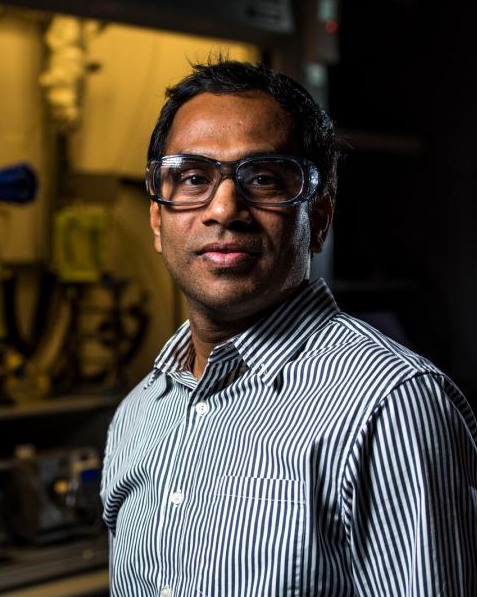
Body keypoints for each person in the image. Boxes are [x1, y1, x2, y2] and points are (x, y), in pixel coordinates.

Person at [100, 60, 477, 596]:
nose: (224, 209)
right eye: (192, 177)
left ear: (318, 217)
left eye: (263, 178)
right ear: (158, 221)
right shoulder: (140, 414)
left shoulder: (391, 407)